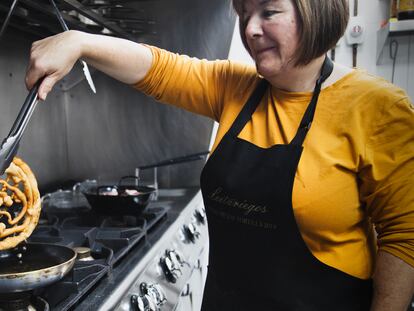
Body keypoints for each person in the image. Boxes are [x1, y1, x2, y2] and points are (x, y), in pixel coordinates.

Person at [25, 0, 414, 310]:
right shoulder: (234, 87)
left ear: (316, 9)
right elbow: (159, 69)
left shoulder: (376, 107)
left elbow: (405, 236)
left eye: (268, 11)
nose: (250, 29)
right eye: (243, 14)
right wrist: (79, 41)